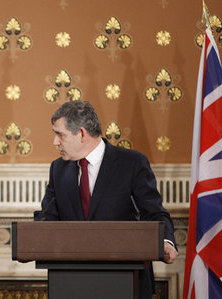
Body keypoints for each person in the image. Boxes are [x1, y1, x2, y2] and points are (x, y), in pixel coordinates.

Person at [40, 100, 178, 299]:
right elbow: (48, 216)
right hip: (72, 283)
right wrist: (34, 241)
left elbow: (154, 212)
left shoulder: (132, 163)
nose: (55, 142)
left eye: (59, 134)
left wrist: (165, 242)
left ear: (81, 133)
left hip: (126, 280)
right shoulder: (58, 169)